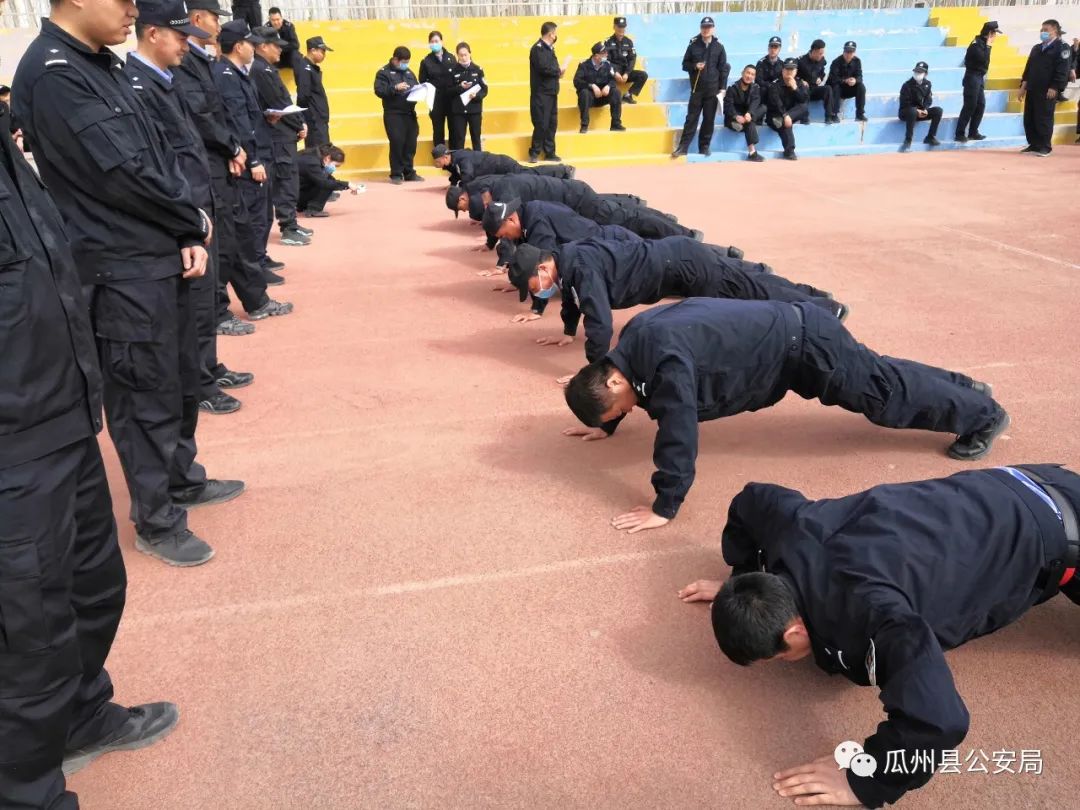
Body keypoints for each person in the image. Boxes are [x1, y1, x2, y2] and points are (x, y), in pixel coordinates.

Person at [679, 464, 1080, 807]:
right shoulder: (791, 526)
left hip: (1062, 533)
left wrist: (865, 778)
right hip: (1015, 480)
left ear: (795, 630)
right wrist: (744, 584)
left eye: (779, 656)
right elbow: (750, 498)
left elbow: (940, 721)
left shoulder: (875, 616)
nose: (785, 663)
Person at [14, 0, 247, 566]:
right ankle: (156, 519)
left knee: (178, 380)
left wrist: (184, 229)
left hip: (155, 251)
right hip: (118, 266)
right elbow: (120, 175)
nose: (133, 11)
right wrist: (189, 219)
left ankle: (180, 479)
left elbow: (161, 152)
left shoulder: (100, 63)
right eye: (123, 0)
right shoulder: (55, 74)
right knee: (143, 395)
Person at [562, 298, 1009, 533]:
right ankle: (964, 388)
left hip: (807, 348)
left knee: (883, 397)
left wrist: (665, 506)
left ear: (614, 383)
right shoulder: (634, 341)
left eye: (620, 410)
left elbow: (678, 431)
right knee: (879, 375)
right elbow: (626, 389)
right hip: (795, 334)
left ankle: (983, 415)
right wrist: (607, 424)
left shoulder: (665, 363)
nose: (630, 411)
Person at [124, 1, 244, 417]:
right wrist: (184, 219)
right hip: (182, 211)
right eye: (179, 37)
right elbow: (158, 163)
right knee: (193, 306)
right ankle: (199, 384)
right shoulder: (138, 86)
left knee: (205, 300)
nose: (185, 45)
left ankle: (207, 369)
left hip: (198, 204)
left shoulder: (164, 79)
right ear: (153, 34)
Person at [508, 239, 846, 364]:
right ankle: (817, 299)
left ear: (542, 268)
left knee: (749, 295)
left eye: (533, 286)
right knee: (750, 284)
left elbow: (601, 323)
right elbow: (573, 299)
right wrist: (568, 332)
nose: (536, 293)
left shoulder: (580, 267)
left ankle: (822, 311)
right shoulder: (567, 262)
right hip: (677, 260)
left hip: (685, 267)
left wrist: (596, 369)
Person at [484, 198, 765, 320]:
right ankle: (734, 262)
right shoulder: (529, 214)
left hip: (614, 243)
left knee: (686, 262)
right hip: (606, 244)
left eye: (503, 234)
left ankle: (743, 265)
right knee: (680, 258)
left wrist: (537, 308)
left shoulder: (537, 224)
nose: (506, 238)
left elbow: (543, 267)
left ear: (511, 219)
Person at [213, 21, 295, 319]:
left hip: (256, 153)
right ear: (239, 46)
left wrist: (265, 118)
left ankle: (256, 287)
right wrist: (253, 161)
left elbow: (247, 117)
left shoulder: (237, 73)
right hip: (248, 162)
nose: (254, 48)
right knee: (250, 226)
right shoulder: (226, 76)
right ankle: (249, 288)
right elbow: (237, 123)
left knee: (256, 223)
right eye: (250, 43)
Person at [452, 172, 699, 241]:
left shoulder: (504, 193)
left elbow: (508, 226)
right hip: (572, 200)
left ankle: (684, 234)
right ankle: (666, 220)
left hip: (576, 198)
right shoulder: (498, 189)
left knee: (627, 220)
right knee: (623, 214)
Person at [252, 25, 313, 244]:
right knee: (285, 181)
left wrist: (299, 123)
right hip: (278, 134)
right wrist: (298, 124)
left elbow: (284, 100)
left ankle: (291, 223)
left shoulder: (266, 68)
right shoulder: (259, 70)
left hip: (285, 133)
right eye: (275, 46)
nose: (280, 50)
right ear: (262, 46)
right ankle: (288, 226)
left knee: (289, 180)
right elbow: (277, 103)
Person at [672, 16, 728, 157]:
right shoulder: (693, 45)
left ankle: (704, 146)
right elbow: (685, 65)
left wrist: (722, 88)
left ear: (713, 29)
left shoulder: (719, 46)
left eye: (708, 27)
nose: (706, 29)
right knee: (691, 119)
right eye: (703, 27)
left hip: (713, 90)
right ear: (700, 28)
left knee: (709, 120)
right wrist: (695, 66)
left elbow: (723, 68)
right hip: (697, 89)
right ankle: (683, 147)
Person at [1019, 19, 1072, 156]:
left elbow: (1063, 70)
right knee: (1030, 118)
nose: (1043, 32)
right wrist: (1023, 86)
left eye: (1046, 30)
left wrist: (1055, 87)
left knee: (1043, 118)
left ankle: (1045, 146)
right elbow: (1028, 68)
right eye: (1042, 30)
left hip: (1047, 89)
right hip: (1032, 88)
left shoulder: (1062, 47)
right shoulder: (1037, 48)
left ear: (1055, 31)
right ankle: (1034, 144)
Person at [374, 46, 423, 184]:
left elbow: (415, 85)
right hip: (394, 114)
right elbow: (379, 90)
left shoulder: (409, 72)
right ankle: (396, 173)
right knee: (397, 142)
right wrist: (394, 88)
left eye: (407, 62)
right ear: (395, 59)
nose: (405, 64)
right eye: (403, 62)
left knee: (411, 143)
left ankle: (409, 172)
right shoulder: (383, 72)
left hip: (409, 113)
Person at [432, 143, 573, 186]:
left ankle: (563, 170)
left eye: (438, 162)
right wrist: (453, 183)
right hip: (497, 167)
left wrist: (460, 188)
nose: (437, 165)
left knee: (529, 173)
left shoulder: (463, 159)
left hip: (502, 165)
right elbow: (455, 173)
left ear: (445, 157)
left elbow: (467, 177)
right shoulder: (452, 160)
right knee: (528, 174)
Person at [956, 21, 1000, 142]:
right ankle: (959, 133)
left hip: (979, 77)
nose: (995, 36)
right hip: (972, 77)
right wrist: (989, 46)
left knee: (980, 105)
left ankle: (973, 132)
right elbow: (983, 59)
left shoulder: (983, 43)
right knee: (970, 105)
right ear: (989, 33)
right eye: (994, 33)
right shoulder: (977, 44)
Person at [528, 21, 565, 162]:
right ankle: (534, 152)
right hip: (541, 93)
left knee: (551, 123)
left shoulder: (550, 49)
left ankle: (550, 152)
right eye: (555, 33)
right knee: (541, 123)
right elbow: (544, 68)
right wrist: (558, 71)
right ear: (550, 34)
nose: (556, 36)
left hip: (552, 92)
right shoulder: (538, 49)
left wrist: (558, 72)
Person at [574, 41, 625, 134]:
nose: (606, 54)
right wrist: (591, 86)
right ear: (596, 55)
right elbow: (577, 81)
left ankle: (615, 124)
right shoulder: (584, 65)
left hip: (603, 96)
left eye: (606, 52)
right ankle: (584, 125)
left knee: (616, 92)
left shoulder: (607, 65)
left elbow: (613, 79)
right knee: (584, 93)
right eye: (604, 52)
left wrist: (608, 86)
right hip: (590, 98)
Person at [419, 30, 456, 149]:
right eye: (432, 41)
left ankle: (454, 155)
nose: (434, 43)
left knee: (454, 128)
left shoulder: (451, 58)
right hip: (436, 101)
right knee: (438, 130)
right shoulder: (426, 61)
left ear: (442, 41)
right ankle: (440, 155)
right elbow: (422, 81)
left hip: (451, 100)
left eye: (436, 41)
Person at [766, 58, 809, 160]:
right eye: (787, 69)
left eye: (792, 69)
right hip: (775, 115)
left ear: (796, 71)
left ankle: (785, 120)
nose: (789, 72)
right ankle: (789, 151)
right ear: (783, 70)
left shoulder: (799, 83)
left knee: (803, 106)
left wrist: (795, 88)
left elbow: (804, 99)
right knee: (784, 124)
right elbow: (777, 104)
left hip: (791, 115)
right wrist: (785, 116)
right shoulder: (775, 84)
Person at [448, 42, 486, 151]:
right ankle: (459, 161)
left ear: (470, 54)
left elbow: (484, 89)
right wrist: (460, 87)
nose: (464, 58)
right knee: (459, 139)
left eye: (465, 54)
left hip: (474, 110)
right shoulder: (452, 71)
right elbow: (448, 91)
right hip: (459, 111)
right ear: (457, 56)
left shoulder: (478, 70)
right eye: (461, 55)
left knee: (476, 138)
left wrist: (476, 95)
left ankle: (478, 160)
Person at [723, 64, 766, 161]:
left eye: (752, 74)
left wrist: (749, 113)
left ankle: (743, 124)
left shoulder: (755, 87)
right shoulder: (732, 88)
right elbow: (727, 106)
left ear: (754, 77)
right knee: (749, 123)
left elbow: (756, 101)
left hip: (747, 116)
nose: (749, 76)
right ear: (742, 73)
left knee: (763, 108)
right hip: (735, 116)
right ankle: (752, 152)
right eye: (748, 73)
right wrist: (736, 116)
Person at [297, 35, 332, 149]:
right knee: (318, 151)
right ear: (312, 50)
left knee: (324, 150)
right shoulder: (305, 68)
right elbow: (303, 96)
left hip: (318, 117)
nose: (324, 55)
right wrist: (308, 117)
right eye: (322, 51)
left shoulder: (310, 68)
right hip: (314, 119)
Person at [898, 61, 943, 151]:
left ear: (925, 73)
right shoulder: (907, 85)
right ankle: (908, 140)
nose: (917, 73)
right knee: (912, 111)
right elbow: (905, 102)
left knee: (938, 110)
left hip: (920, 112)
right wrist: (917, 110)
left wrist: (925, 109)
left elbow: (928, 99)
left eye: (920, 72)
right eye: (916, 71)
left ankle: (930, 137)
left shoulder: (927, 84)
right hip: (906, 112)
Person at [604, 16, 648, 104]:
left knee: (643, 75)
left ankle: (628, 95)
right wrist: (614, 73)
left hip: (624, 72)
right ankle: (609, 98)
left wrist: (627, 73)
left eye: (623, 28)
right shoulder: (608, 42)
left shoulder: (629, 42)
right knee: (603, 75)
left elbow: (632, 59)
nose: (621, 30)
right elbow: (606, 60)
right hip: (613, 72)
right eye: (619, 27)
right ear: (614, 27)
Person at [297, 143, 350, 215]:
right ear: (328, 158)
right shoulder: (312, 163)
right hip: (292, 194)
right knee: (327, 184)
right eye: (336, 165)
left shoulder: (313, 157)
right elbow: (325, 183)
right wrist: (347, 184)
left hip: (296, 191)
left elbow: (329, 179)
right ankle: (314, 209)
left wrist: (347, 186)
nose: (335, 168)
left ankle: (303, 206)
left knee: (329, 181)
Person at [796, 39, 838, 123]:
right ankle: (804, 118)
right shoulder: (800, 61)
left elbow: (822, 73)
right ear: (814, 51)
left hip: (814, 89)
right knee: (804, 89)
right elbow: (792, 76)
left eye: (823, 53)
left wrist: (820, 78)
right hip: (803, 91)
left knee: (828, 88)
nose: (822, 55)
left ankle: (829, 116)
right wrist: (800, 81)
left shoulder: (822, 60)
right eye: (820, 53)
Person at [828, 40, 867, 122]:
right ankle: (834, 114)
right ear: (843, 51)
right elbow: (833, 79)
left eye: (850, 52)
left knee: (861, 87)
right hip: (838, 89)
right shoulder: (836, 62)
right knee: (836, 87)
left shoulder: (857, 61)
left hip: (849, 89)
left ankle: (860, 114)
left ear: (854, 52)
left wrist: (855, 80)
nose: (848, 54)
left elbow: (860, 76)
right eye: (846, 51)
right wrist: (845, 81)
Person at [265, 6, 301, 74]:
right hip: (275, 58)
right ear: (269, 19)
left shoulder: (289, 26)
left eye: (278, 19)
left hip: (288, 55)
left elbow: (295, 45)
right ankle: (274, 79)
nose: (276, 22)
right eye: (273, 20)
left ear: (282, 18)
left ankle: (301, 80)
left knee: (296, 56)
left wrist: (279, 48)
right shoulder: (265, 29)